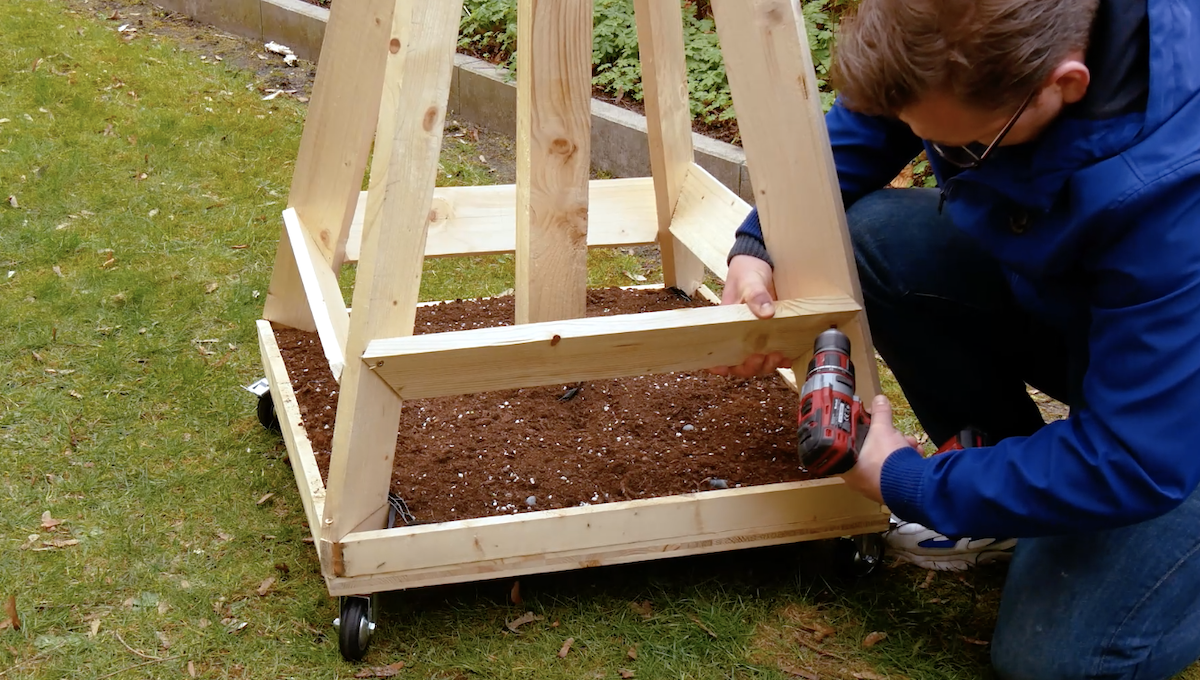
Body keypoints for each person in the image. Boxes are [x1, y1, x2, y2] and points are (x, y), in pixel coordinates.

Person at [712, 0, 1200, 677]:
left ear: (1064, 83)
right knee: (876, 244)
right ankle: (1005, 492)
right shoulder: (977, 34)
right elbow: (880, 118)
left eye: (965, 145)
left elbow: (1136, 455)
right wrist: (763, 240)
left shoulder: (1178, 190)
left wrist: (904, 480)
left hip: (1177, 406)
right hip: (1119, 325)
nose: (934, 151)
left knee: (1058, 660)